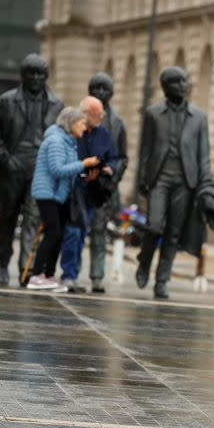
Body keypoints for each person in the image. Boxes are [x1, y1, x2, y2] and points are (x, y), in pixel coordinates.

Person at [135, 66, 212, 299]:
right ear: (165, 87)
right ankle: (144, 261)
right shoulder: (152, 113)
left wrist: (204, 184)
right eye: (177, 82)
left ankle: (162, 280)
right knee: (154, 226)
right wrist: (142, 179)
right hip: (159, 178)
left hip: (185, 182)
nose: (183, 85)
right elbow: (144, 150)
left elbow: (203, 155)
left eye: (184, 81)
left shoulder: (199, 117)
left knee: (173, 233)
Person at [0, 54, 64, 286]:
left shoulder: (56, 104)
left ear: (46, 76)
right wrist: (4, 158)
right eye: (31, 72)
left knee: (33, 219)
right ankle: (3, 263)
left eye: (40, 73)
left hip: (39, 170)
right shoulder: (6, 101)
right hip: (12, 166)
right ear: (23, 75)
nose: (35, 77)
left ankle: (26, 268)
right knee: (8, 219)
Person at [27, 107, 99, 291]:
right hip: (47, 193)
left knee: (58, 236)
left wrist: (84, 175)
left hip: (58, 194)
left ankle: (49, 275)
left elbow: (68, 170)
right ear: (71, 123)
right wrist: (83, 164)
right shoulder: (56, 141)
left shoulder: (69, 141)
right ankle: (36, 275)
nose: (85, 128)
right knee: (53, 234)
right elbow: (58, 169)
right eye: (82, 123)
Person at [59, 96, 117, 292]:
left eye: (102, 113)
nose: (101, 116)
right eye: (96, 113)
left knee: (82, 233)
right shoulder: (73, 131)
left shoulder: (103, 134)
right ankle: (68, 275)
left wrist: (109, 169)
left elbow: (113, 158)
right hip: (73, 190)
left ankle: (73, 275)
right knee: (72, 233)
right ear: (85, 113)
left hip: (93, 192)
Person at [86, 72, 128, 293]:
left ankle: (97, 275)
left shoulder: (118, 123)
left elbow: (123, 157)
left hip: (104, 186)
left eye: (105, 89)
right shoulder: (79, 117)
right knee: (73, 230)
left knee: (99, 231)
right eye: (96, 88)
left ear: (112, 93)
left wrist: (113, 177)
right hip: (81, 182)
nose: (100, 92)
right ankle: (67, 273)